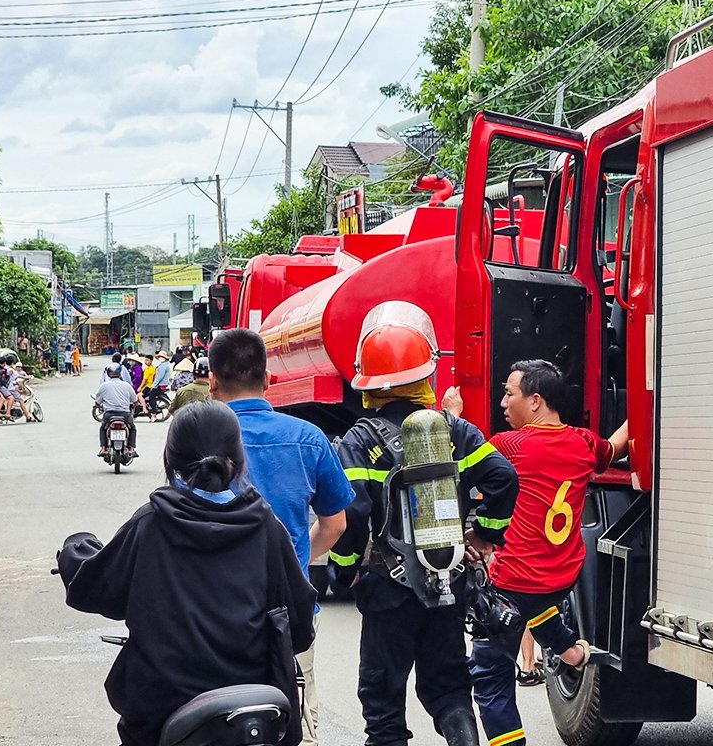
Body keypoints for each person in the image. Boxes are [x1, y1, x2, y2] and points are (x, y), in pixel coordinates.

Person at [56, 400, 318, 746]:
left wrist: (77, 549)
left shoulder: (150, 524)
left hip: (160, 711)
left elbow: (95, 589)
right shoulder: (266, 527)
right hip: (255, 707)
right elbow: (300, 626)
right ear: (238, 460)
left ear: (170, 458)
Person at [331, 301, 518, 746]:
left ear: (369, 384)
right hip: (446, 581)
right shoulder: (455, 431)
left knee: (382, 699)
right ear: (425, 375)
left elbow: (353, 512)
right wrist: (485, 534)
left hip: (385, 589)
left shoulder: (360, 440)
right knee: (450, 687)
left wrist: (344, 568)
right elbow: (503, 477)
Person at [444, 360, 628, 746]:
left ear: (536, 400)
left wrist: (451, 416)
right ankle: (571, 652)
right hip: (562, 575)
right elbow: (613, 448)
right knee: (536, 607)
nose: (503, 403)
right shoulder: (583, 442)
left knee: (489, 678)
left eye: (510, 394)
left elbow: (457, 464)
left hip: (514, 579)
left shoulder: (511, 446)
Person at [208, 329, 354, 746]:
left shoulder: (198, 438)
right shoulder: (308, 437)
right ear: (269, 379)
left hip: (214, 611)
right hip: (289, 614)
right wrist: (296, 558)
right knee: (294, 715)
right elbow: (335, 525)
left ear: (212, 380)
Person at [95, 363, 141, 457]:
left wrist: (97, 405)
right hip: (125, 414)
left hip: (109, 415)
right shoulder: (127, 385)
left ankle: (103, 449)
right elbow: (135, 400)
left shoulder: (104, 386)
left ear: (108, 374)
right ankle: (131, 448)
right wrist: (135, 404)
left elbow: (97, 401)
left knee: (103, 428)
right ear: (120, 374)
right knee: (132, 428)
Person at [7, 358, 34, 423]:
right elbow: (20, 377)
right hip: (10, 388)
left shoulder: (3, 368)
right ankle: (28, 416)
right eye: (17, 367)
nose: (18, 368)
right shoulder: (11, 370)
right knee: (21, 400)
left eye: (19, 367)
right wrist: (28, 377)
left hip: (5, 387)